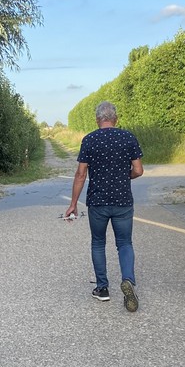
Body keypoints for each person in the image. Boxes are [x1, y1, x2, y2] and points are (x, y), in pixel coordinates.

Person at [65, 101, 144, 312]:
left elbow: (81, 174)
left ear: (97, 119)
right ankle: (128, 280)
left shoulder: (89, 140)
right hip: (122, 200)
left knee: (98, 243)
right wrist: (124, 177)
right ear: (115, 119)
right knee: (124, 243)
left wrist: (73, 204)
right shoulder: (128, 137)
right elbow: (138, 170)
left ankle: (102, 288)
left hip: (98, 202)